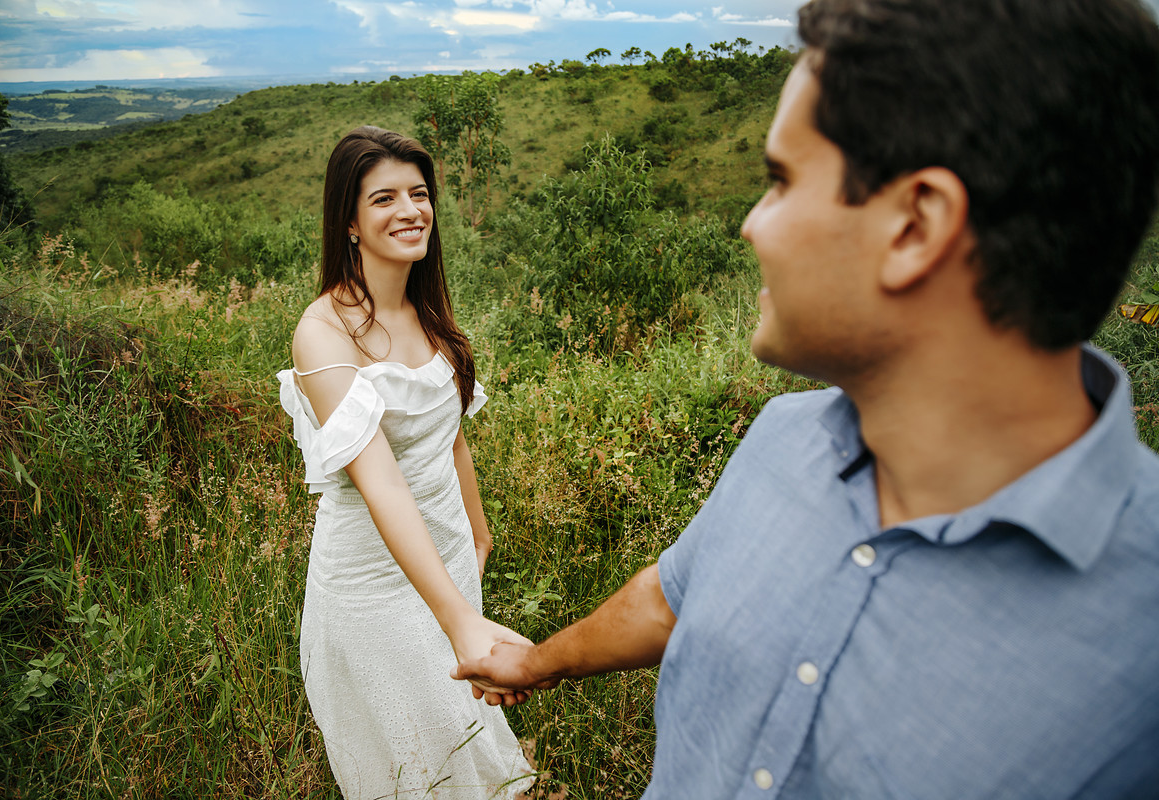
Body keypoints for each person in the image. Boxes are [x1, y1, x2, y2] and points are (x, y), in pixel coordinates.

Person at [452, 0, 1159, 797]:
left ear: (915, 226)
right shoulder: (785, 436)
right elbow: (672, 598)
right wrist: (538, 664)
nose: (751, 225)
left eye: (781, 181)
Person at [278, 126, 534, 799]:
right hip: (371, 585)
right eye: (384, 198)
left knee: (464, 734)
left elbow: (450, 435)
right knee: (417, 761)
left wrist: (478, 534)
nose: (411, 210)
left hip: (445, 556)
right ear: (350, 222)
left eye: (419, 194)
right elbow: (383, 484)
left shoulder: (427, 311)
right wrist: (459, 620)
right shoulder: (323, 334)